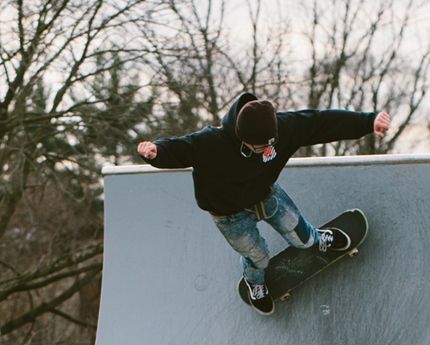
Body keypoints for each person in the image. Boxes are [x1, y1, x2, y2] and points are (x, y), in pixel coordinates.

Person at [136, 93, 390, 315]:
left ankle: (317, 238)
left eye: (271, 143)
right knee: (258, 257)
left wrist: (367, 122)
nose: (267, 150)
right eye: (260, 146)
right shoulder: (212, 142)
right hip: (229, 214)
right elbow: (181, 148)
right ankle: (254, 283)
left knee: (302, 237)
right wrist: (156, 152)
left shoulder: (281, 129)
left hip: (266, 196)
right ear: (242, 137)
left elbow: (321, 122)